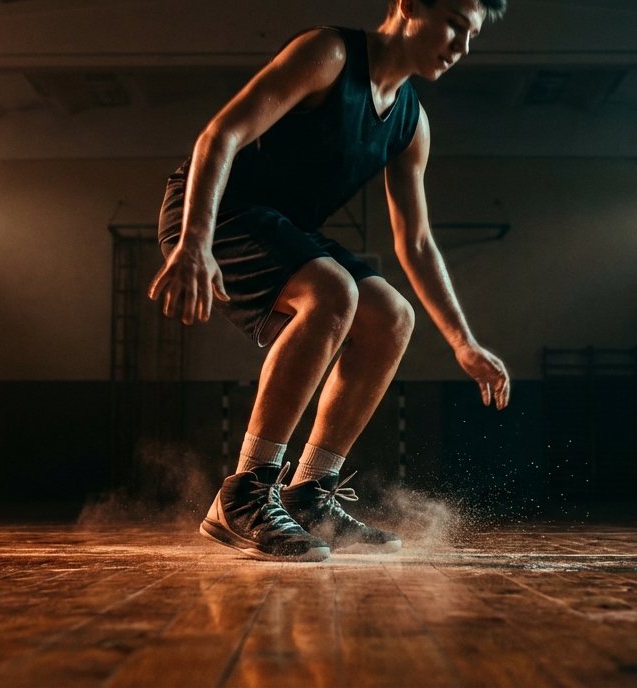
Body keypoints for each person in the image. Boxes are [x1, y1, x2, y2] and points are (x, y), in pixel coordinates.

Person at [149, 0, 511, 562]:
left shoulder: (411, 123)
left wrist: (464, 341)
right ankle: (244, 493)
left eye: (473, 36)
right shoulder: (329, 54)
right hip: (218, 210)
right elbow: (219, 135)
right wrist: (195, 242)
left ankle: (308, 495)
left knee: (393, 316)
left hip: (283, 226)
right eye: (457, 26)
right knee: (333, 291)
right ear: (409, 5)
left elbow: (414, 243)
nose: (462, 45)